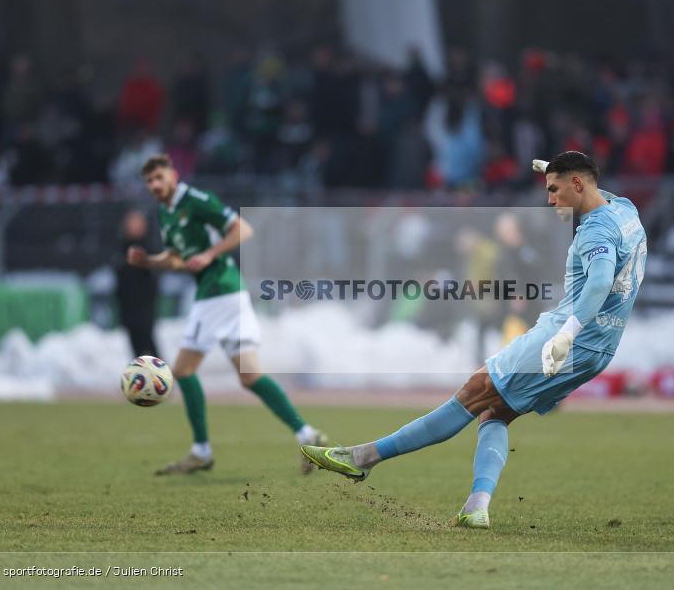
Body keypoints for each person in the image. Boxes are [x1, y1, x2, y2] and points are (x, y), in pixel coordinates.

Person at [302, 151, 647, 529]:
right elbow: (594, 190)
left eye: (555, 190)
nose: (550, 200)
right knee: (495, 412)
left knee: (472, 392)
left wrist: (566, 335)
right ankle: (476, 506)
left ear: (578, 184)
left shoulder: (596, 229)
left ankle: (362, 457)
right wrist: (554, 168)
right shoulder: (624, 209)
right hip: (602, 347)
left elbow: (598, 282)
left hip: (568, 337)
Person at [127, 154, 327, 475]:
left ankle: (201, 451)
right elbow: (179, 259)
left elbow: (241, 230)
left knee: (183, 370)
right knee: (250, 376)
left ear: (173, 175)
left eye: (159, 178)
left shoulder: (197, 200)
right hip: (228, 294)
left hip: (218, 291)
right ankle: (308, 435)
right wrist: (149, 261)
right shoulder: (166, 214)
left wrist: (209, 254)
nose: (155, 185)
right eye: (149, 181)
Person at [115, 210, 160, 358]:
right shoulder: (122, 248)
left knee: (148, 345)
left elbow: (152, 277)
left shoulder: (147, 248)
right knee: (135, 348)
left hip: (144, 307)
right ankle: (142, 378)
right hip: (127, 308)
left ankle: (160, 377)